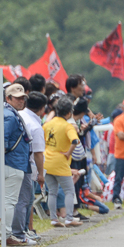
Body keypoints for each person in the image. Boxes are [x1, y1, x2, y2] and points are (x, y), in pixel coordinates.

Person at [0, 84, 32, 246]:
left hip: (13, 163)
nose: (21, 101)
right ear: (8, 98)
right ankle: (3, 235)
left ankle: (2, 235)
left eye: (23, 97)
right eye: (17, 98)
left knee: (7, 202)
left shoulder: (9, 113)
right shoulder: (9, 115)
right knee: (9, 202)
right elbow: (3, 141)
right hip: (12, 163)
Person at [12, 92, 48, 244]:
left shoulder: (18, 114)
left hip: (12, 162)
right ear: (42, 109)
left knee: (14, 200)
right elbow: (38, 154)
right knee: (25, 200)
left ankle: (19, 232)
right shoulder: (36, 126)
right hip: (27, 165)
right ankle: (21, 233)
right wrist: (41, 174)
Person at [43, 97, 82, 227]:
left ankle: (54, 219)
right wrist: (68, 153)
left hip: (47, 161)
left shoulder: (47, 124)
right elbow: (75, 141)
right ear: (69, 113)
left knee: (52, 192)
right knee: (69, 191)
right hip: (60, 162)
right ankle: (69, 218)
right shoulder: (67, 126)